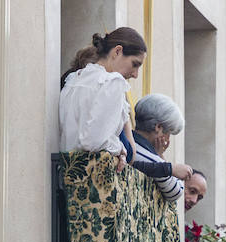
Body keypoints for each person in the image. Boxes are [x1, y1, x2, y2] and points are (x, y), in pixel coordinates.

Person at [58, 29, 146, 166]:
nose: (135, 75)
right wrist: (120, 149)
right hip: (90, 179)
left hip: (63, 175)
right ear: (117, 51)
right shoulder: (112, 82)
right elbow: (92, 141)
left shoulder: (74, 78)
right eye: (135, 64)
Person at [130, 94, 195, 202]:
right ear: (158, 127)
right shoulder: (138, 150)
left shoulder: (130, 141)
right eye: (168, 133)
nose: (167, 139)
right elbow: (176, 191)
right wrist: (160, 158)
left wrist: (158, 155)